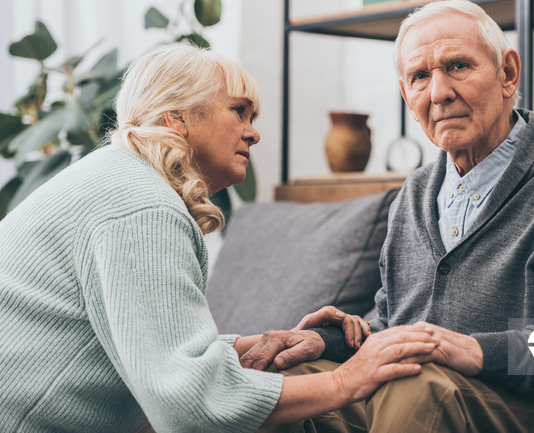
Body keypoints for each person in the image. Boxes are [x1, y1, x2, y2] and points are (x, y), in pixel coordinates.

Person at [0, 43, 440, 432]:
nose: (254, 132)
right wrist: (347, 380)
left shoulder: (118, 180)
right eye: (239, 111)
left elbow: (151, 348)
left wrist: (257, 342)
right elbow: (187, 404)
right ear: (176, 118)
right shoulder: (140, 205)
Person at [253, 0, 534, 433]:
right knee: (277, 388)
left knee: (416, 386)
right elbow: (395, 326)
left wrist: (478, 352)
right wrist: (324, 342)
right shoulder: (416, 192)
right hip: (421, 396)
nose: (438, 92)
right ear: (406, 94)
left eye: (457, 66)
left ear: (508, 74)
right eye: (420, 76)